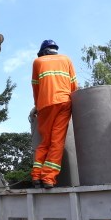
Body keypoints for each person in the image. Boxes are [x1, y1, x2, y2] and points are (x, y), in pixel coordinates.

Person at [31, 39, 78, 189]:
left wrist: (37, 106)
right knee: (56, 142)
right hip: (64, 102)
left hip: (44, 104)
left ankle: (36, 176)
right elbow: (74, 85)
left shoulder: (38, 62)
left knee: (45, 141)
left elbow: (36, 87)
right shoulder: (66, 60)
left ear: (43, 51)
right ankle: (48, 178)